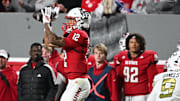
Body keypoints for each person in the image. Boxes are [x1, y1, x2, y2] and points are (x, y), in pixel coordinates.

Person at [41, 7, 91, 101]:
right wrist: (48, 25)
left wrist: (46, 22)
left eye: (72, 20)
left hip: (79, 80)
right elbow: (48, 42)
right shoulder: (73, 35)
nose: (69, 23)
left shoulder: (80, 34)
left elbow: (53, 39)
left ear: (80, 21)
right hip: (73, 81)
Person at [114, 33, 158, 101]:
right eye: (131, 42)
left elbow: (153, 79)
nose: (133, 45)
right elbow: (118, 77)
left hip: (141, 95)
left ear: (141, 44)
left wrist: (153, 95)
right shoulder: (122, 56)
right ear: (127, 44)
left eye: (136, 42)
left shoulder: (147, 57)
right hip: (126, 94)